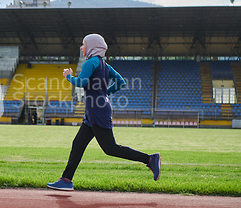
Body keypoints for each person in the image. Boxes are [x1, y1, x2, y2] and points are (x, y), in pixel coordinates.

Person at [47, 34, 161, 191]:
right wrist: (105, 93)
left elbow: (81, 82)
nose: (81, 47)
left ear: (92, 46)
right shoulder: (105, 66)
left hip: (97, 112)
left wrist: (68, 76)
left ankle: (149, 159)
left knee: (110, 148)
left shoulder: (90, 63)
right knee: (78, 144)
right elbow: (121, 82)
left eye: (83, 44)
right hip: (96, 111)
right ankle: (66, 180)